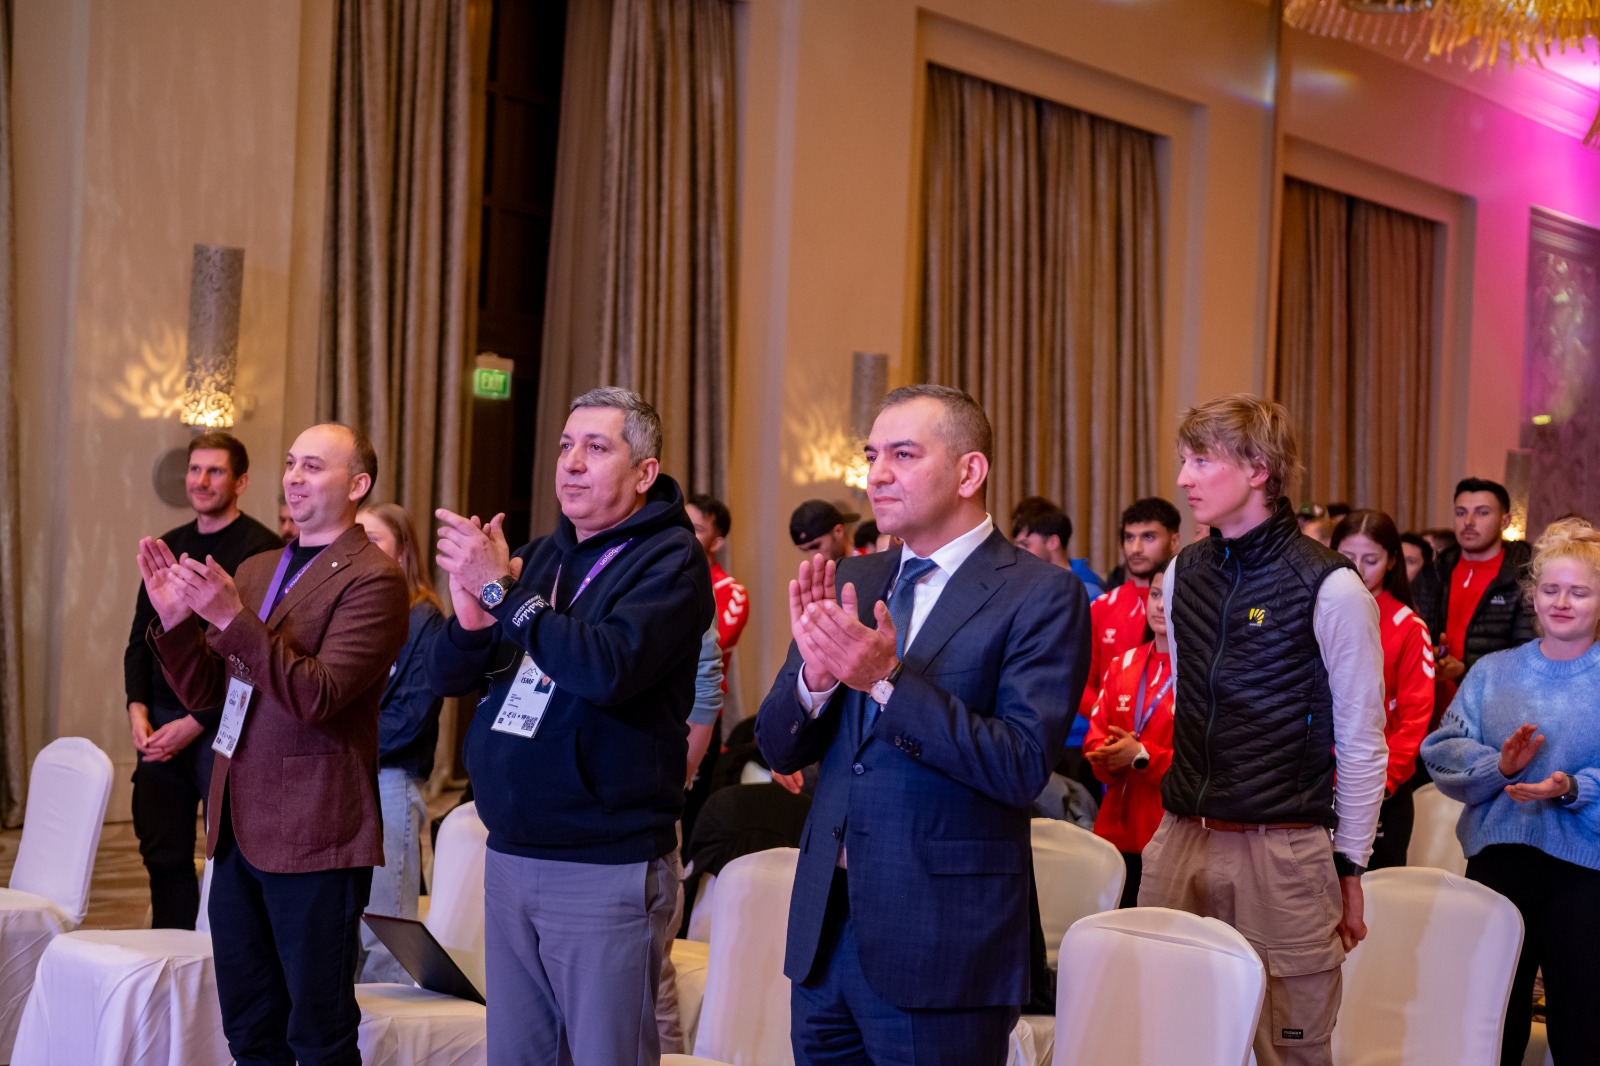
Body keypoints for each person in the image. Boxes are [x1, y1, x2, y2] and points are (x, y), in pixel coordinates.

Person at [756, 384, 1089, 1066]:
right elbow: (777, 742)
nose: (876, 474)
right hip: (828, 929)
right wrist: (816, 680)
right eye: (872, 455)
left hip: (942, 940)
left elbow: (1021, 764)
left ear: (970, 471)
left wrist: (887, 680)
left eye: (903, 454)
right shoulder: (855, 574)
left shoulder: (1040, 594)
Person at [428, 386, 713, 1066]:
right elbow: (446, 678)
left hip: (602, 860)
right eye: (564, 445)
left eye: (596, 447)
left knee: (603, 1056)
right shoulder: (541, 557)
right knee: (520, 1056)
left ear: (644, 473)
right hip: (513, 849)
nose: (571, 463)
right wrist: (472, 613)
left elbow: (606, 668)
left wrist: (502, 593)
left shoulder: (671, 562)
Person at [139, 423, 409, 1065]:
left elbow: (319, 694)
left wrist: (233, 619)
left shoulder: (374, 579)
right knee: (249, 1028)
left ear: (357, 486)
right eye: (290, 462)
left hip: (316, 832)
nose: (293, 477)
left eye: (313, 466)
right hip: (236, 826)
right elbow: (212, 690)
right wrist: (177, 622)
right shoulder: (259, 569)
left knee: (317, 1036)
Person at [1140, 394, 1387, 1066]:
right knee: (1161, 1037)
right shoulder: (1181, 573)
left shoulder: (1330, 586)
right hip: (1182, 835)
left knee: (1290, 1047)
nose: (1184, 477)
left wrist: (1351, 866)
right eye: (1182, 461)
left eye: (1200, 460)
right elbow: (1190, 697)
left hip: (1283, 847)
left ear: (1257, 468)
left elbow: (1364, 741)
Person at [1422, 517, 1600, 1066]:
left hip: (1584, 874)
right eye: (1550, 589)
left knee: (1584, 1021)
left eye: (1579, 591)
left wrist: (1571, 787)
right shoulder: (1493, 672)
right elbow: (1442, 749)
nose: (1562, 602)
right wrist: (1498, 766)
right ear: (1532, 595)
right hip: (1500, 868)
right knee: (1493, 1017)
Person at [123, 432, 283, 931]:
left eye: (214, 471)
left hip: (219, 724)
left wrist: (195, 723)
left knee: (229, 853)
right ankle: (168, 949)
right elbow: (138, 640)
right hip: (158, 725)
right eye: (195, 470)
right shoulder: (168, 546)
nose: (201, 480)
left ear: (241, 482)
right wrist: (137, 710)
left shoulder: (263, 551)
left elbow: (253, 657)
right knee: (162, 849)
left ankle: (218, 958)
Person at [353, 503, 449, 984]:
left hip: (389, 782)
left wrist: (337, 736)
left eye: (374, 540)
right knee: (345, 929)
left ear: (403, 551)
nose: (361, 550)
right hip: (346, 779)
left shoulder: (423, 619)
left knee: (384, 933)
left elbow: (408, 721)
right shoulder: (354, 613)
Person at [1331, 510, 1435, 869]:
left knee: (1375, 904)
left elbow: (1415, 718)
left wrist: (1383, 783)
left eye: (1371, 559)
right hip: (1316, 784)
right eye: (1347, 557)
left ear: (1392, 561)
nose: (1357, 568)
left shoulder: (1408, 627)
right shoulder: (1318, 613)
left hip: (1380, 790)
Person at [1083, 568, 1175, 907]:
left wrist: (1141, 755)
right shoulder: (1124, 664)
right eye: (1154, 594)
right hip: (1117, 834)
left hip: (1172, 837)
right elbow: (1095, 741)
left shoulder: (1202, 673)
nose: (1160, 605)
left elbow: (1206, 766)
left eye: (1171, 595)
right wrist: (1107, 755)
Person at [1432, 478, 1536, 707]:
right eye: (1461, 513)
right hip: (1431, 706)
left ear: (1505, 521)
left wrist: (1464, 669)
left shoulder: (1523, 576)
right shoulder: (1435, 571)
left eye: (1481, 513)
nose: (1468, 522)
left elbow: (1526, 655)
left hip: (1490, 706)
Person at [1082, 497, 1182, 713]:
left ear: (1174, 542)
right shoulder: (1102, 606)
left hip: (1171, 734)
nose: (1135, 548)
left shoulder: (1191, 604)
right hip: (1109, 737)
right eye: (1129, 538)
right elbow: (1082, 683)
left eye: (1148, 537)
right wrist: (1110, 719)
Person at [1010, 497, 1105, 600]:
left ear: (1053, 542)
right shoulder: (1028, 584)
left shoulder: (1087, 592)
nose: (1017, 552)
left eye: (1025, 544)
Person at [790, 499, 859, 563]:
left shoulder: (867, 568)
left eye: (816, 546)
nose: (814, 557)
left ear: (838, 531)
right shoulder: (819, 573)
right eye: (806, 550)